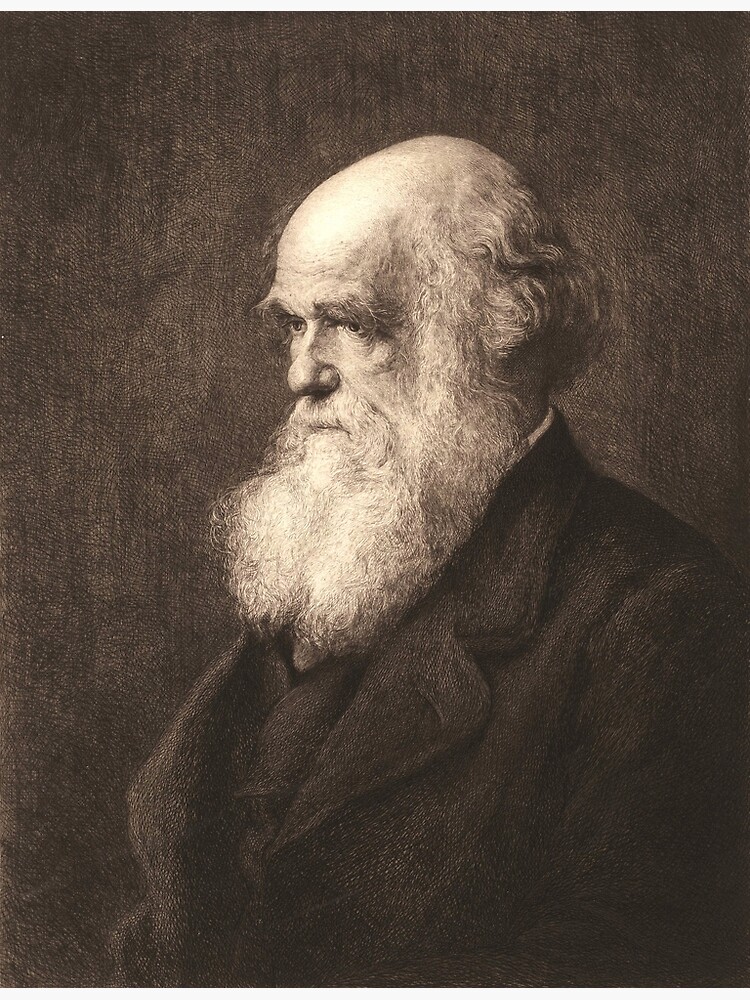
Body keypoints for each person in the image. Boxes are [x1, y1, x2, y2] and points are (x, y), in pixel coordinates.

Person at [112, 136, 748, 987]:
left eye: (352, 324)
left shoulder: (659, 607)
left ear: (502, 328)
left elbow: (638, 964)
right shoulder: (332, 564)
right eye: (294, 325)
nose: (302, 373)